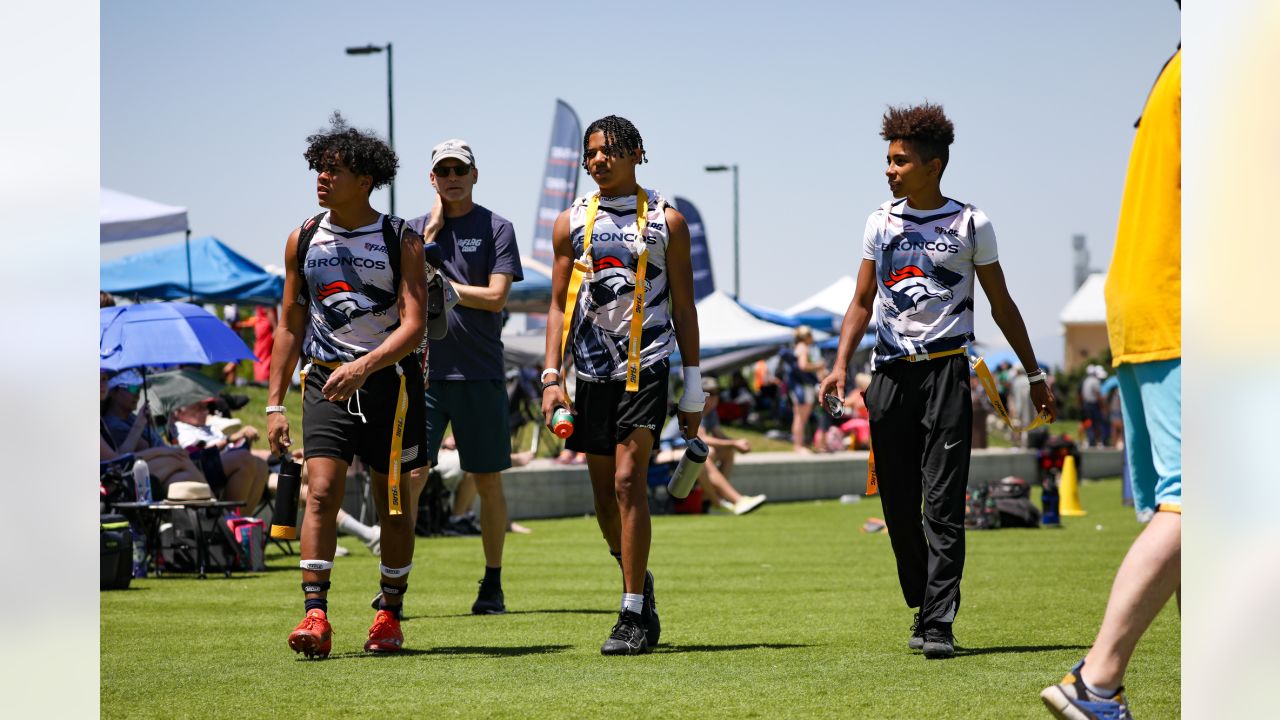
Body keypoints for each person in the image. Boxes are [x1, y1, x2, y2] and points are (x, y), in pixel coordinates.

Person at [820, 102, 1055, 659]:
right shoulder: (879, 222)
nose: (889, 169)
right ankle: (924, 600)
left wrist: (1034, 371)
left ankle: (940, 621)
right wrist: (838, 364)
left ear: (934, 164)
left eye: (899, 161)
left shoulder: (973, 223)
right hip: (888, 378)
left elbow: (1001, 303)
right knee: (899, 507)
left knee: (942, 506)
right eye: (888, 160)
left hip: (948, 374)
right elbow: (860, 301)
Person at [1041, 45, 1180, 720]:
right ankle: (1096, 682)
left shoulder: (1178, 70)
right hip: (1190, 310)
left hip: (1148, 309)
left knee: (1186, 515)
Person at [267, 113, 435, 659]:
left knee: (392, 505)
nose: (322, 177)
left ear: (365, 179)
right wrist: (273, 404)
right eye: (318, 167)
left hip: (393, 387)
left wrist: (365, 366)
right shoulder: (303, 238)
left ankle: (388, 613)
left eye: (333, 170)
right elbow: (290, 324)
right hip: (323, 382)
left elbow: (414, 324)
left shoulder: (400, 237)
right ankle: (316, 614)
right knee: (320, 491)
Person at [542, 115, 703, 655]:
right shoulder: (571, 222)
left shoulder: (667, 221)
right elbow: (558, 305)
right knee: (605, 499)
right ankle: (639, 581)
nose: (597, 161)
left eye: (609, 151)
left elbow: (683, 305)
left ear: (638, 153)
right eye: (591, 153)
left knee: (629, 481)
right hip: (589, 371)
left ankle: (631, 612)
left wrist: (694, 386)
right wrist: (550, 377)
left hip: (648, 363)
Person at [406, 138, 524, 615]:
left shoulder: (497, 228)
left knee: (487, 480)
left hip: (479, 374)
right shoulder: (412, 231)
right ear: (432, 179)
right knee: (410, 476)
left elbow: (496, 297)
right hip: (424, 378)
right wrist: (430, 233)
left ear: (475, 175)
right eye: (444, 170)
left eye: (461, 169)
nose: (452, 176)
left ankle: (492, 583)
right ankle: (395, 583)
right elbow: (402, 293)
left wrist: (446, 288)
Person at [100, 370, 216, 500]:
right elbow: (117, 462)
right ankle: (220, 511)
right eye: (133, 388)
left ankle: (215, 514)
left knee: (183, 477)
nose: (138, 394)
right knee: (180, 460)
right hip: (117, 484)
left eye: (105, 379)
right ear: (114, 392)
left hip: (129, 475)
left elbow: (123, 455)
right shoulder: (111, 423)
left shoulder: (126, 419)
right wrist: (165, 451)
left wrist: (149, 426)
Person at [170, 400, 268, 513]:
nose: (205, 410)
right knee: (243, 459)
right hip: (198, 467)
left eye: (205, 407)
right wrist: (230, 439)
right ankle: (230, 520)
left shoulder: (209, 428)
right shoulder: (181, 429)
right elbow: (194, 452)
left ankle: (242, 520)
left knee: (261, 464)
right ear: (179, 413)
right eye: (198, 407)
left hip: (224, 461)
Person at [693, 377, 766, 515]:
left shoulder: (711, 413)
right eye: (708, 393)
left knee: (727, 452)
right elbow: (702, 438)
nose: (713, 397)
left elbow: (718, 434)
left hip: (689, 453)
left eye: (716, 393)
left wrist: (736, 444)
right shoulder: (694, 410)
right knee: (707, 454)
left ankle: (713, 498)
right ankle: (731, 501)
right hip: (670, 451)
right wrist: (734, 443)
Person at [780, 325, 824, 453]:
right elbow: (803, 366)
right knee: (800, 417)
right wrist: (819, 366)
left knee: (799, 417)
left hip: (798, 386)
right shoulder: (803, 347)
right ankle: (798, 446)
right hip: (802, 387)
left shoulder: (797, 347)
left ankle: (799, 445)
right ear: (807, 337)